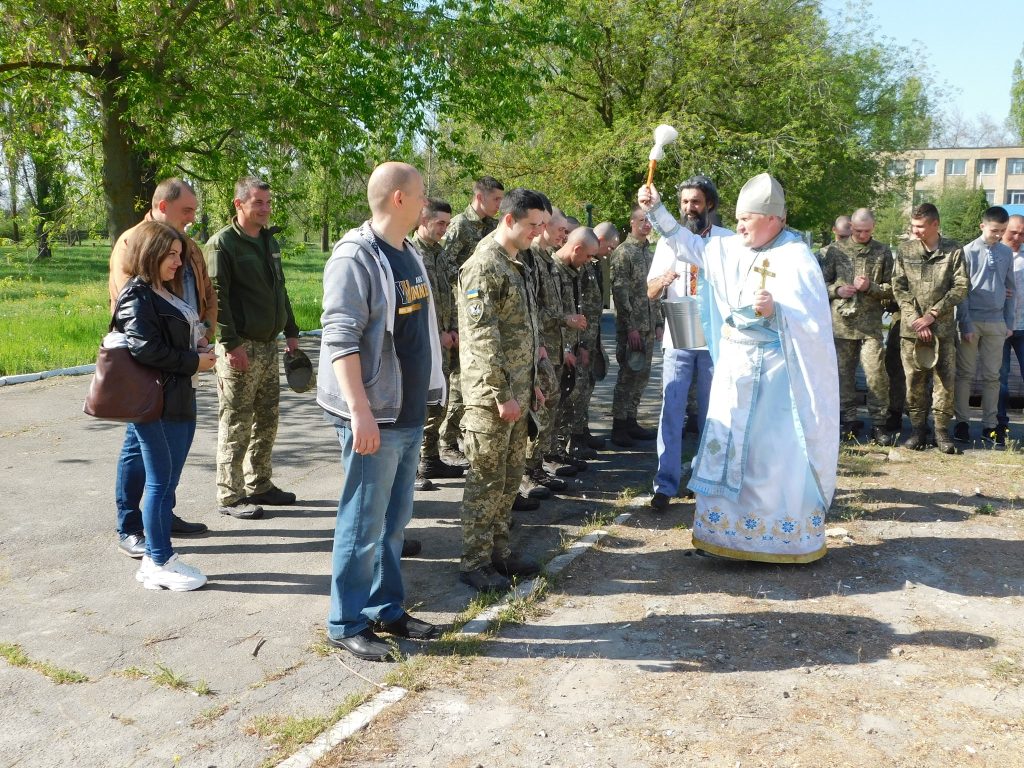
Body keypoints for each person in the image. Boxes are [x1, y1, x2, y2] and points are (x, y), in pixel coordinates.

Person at [638, 173, 839, 563]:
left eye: (747, 218)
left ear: (773, 219)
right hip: (734, 372)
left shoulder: (796, 256)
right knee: (726, 450)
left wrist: (778, 310)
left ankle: (775, 539)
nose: (740, 224)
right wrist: (656, 209)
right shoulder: (731, 247)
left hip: (776, 383)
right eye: (739, 217)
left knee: (768, 458)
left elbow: (814, 322)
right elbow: (687, 245)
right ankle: (726, 536)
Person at [316, 162, 446, 661]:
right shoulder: (354, 257)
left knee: (394, 521)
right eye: (420, 195)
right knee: (362, 522)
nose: (425, 203)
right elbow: (340, 337)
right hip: (374, 415)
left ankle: (386, 608)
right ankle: (345, 622)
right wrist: (359, 411)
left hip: (408, 410)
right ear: (398, 199)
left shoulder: (408, 251)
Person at [108, 178, 215, 557]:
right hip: (153, 381)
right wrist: (190, 358)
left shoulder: (185, 245)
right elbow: (140, 322)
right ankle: (132, 527)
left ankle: (160, 519)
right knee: (139, 454)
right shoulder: (135, 243)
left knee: (163, 467)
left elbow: (203, 294)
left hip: (180, 373)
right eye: (187, 209)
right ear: (163, 205)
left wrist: (202, 334)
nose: (193, 216)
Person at [456, 187, 547, 592]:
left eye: (543, 226)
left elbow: (523, 332)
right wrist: (502, 393)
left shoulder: (516, 262)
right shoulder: (483, 266)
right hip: (491, 398)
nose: (539, 234)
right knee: (486, 480)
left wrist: (531, 387)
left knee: (510, 478)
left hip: (517, 392)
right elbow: (482, 340)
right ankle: (474, 561)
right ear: (509, 220)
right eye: (533, 226)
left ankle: (499, 553)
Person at [206, 177, 300, 519]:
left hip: (269, 344)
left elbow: (280, 289)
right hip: (240, 346)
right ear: (239, 204)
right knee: (236, 421)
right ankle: (229, 495)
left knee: (267, 419)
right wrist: (230, 344)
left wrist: (291, 331)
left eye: (267, 203)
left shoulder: (267, 242)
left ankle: (259, 483)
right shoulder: (223, 245)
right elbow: (217, 298)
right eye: (257, 202)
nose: (264, 208)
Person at [646, 176, 728, 512]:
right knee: (672, 410)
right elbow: (650, 291)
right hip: (679, 332)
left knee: (713, 413)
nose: (688, 208)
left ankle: (704, 480)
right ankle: (665, 484)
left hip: (714, 338)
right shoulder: (668, 242)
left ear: (709, 204)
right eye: (683, 202)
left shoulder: (726, 241)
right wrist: (662, 280)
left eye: (695, 202)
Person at [437, 176, 505, 469]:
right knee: (458, 381)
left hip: (487, 311)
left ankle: (460, 437)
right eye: (496, 200)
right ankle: (446, 441)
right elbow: (445, 266)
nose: (499, 206)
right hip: (462, 310)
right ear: (480, 197)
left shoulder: (491, 228)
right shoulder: (459, 227)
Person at [891, 203, 968, 453]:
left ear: (935, 224)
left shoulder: (953, 250)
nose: (916, 231)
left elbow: (960, 287)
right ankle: (917, 431)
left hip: (942, 329)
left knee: (944, 381)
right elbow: (899, 287)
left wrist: (933, 314)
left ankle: (942, 432)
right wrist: (916, 318)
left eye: (921, 226)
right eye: (913, 226)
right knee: (914, 381)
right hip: (912, 331)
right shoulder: (905, 250)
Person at [521, 207, 583, 499]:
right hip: (539, 347)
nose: (563, 235)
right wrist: (562, 320)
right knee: (539, 410)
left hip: (553, 346)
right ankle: (528, 471)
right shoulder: (531, 257)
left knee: (549, 409)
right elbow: (535, 307)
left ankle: (536, 467)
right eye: (560, 230)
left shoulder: (546, 259)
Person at [820, 207, 895, 445]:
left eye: (868, 231)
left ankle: (879, 424)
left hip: (871, 327)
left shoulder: (882, 252)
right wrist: (837, 290)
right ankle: (848, 421)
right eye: (859, 230)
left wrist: (870, 287)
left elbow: (893, 289)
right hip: (842, 325)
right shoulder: (834, 251)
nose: (863, 235)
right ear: (851, 227)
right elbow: (820, 284)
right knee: (843, 377)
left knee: (875, 375)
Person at [410, 198, 464, 489]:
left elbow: (451, 295)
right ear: (423, 220)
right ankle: (414, 466)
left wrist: (454, 328)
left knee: (439, 403)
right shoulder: (411, 254)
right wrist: (437, 333)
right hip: (424, 342)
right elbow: (416, 304)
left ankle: (430, 459)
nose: (444, 228)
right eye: (439, 222)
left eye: (447, 223)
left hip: (446, 341)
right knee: (420, 405)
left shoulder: (441, 254)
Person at [953, 206, 1014, 445]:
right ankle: (962, 423)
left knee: (993, 376)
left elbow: (1011, 290)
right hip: (972, 320)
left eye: (1002, 231)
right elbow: (962, 291)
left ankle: (990, 425)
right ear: (982, 226)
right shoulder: (967, 252)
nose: (998, 235)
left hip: (997, 322)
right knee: (965, 374)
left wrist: (1008, 322)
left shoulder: (1006, 253)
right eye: (994, 230)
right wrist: (965, 322)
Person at [559, 221, 620, 454]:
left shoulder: (589, 264)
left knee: (585, 388)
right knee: (575, 391)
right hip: (577, 339)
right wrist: (581, 343)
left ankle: (580, 432)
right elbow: (577, 306)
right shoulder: (572, 267)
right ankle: (572, 439)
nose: (608, 253)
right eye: (610, 247)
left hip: (590, 335)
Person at [610, 205, 662, 447]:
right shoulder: (624, 253)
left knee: (643, 376)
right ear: (631, 222)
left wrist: (659, 322)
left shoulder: (650, 253)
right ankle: (619, 425)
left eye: (649, 220)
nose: (646, 224)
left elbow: (656, 290)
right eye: (641, 220)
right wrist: (630, 326)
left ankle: (631, 419)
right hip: (632, 327)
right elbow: (620, 292)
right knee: (628, 375)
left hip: (649, 324)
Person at [997, 214, 1024, 442]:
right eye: (1013, 232)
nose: (1017, 237)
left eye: (1022, 234)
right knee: (1000, 378)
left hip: (1023, 326)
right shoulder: (994, 254)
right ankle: (999, 425)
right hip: (998, 326)